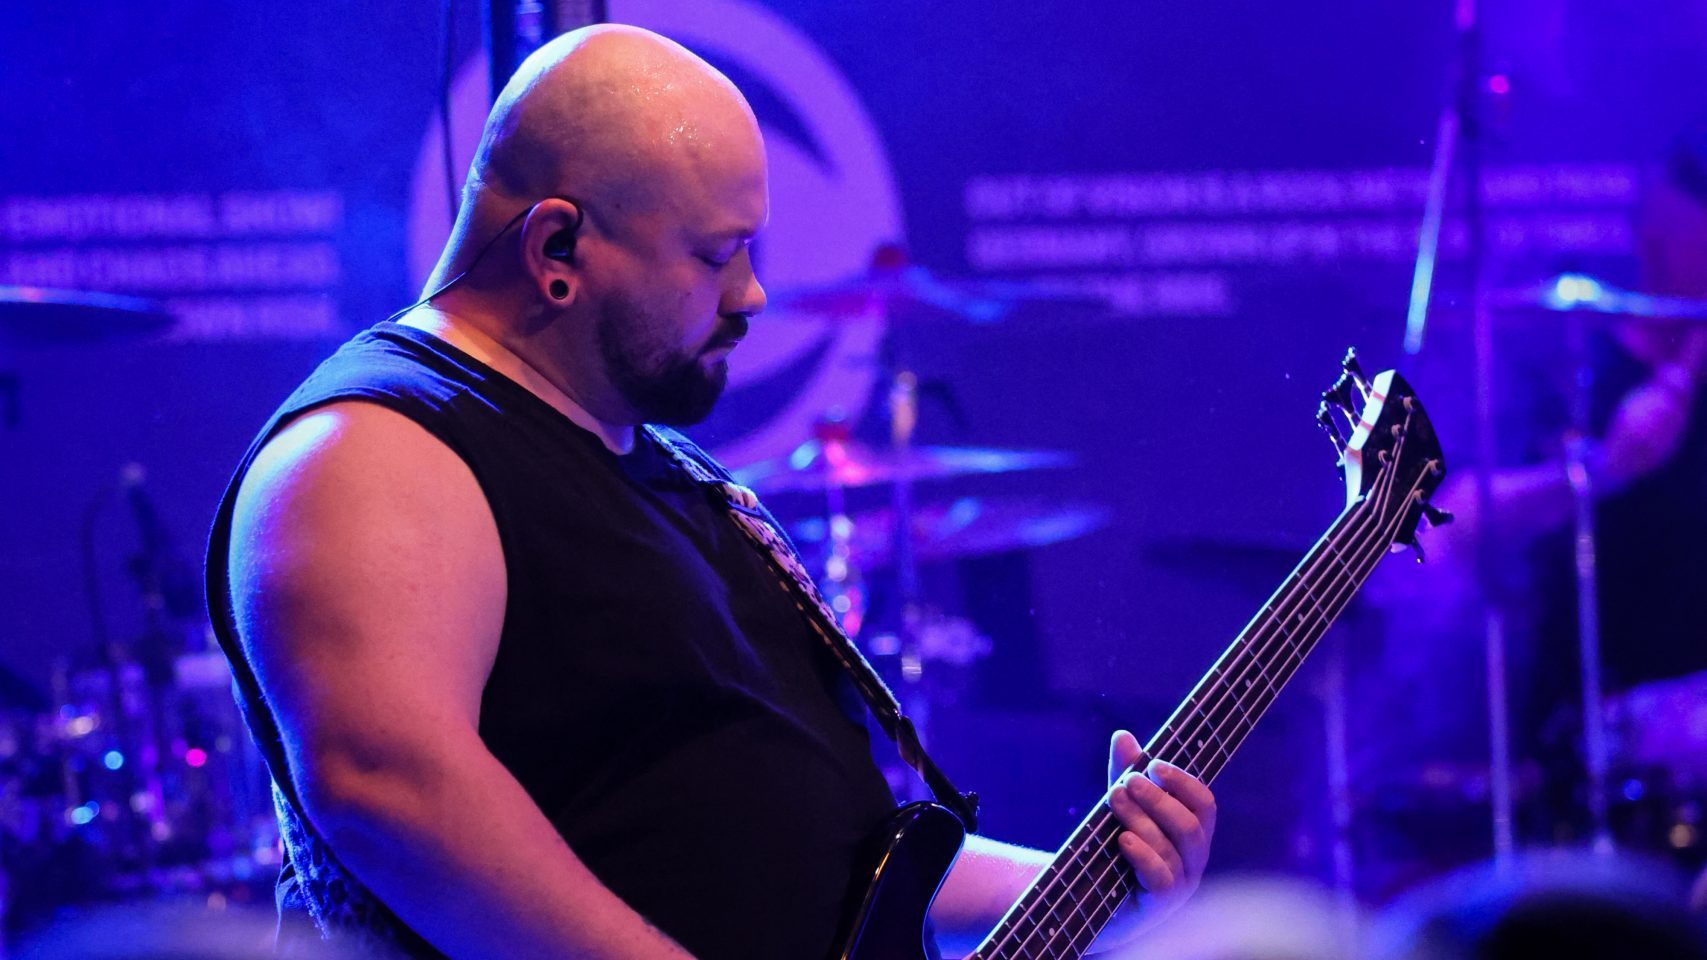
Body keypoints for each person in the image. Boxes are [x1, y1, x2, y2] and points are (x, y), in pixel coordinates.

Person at [204, 25, 1217, 960]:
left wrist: (1094, 890)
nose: (751, 294)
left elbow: (848, 863)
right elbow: (389, 793)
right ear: (557, 250)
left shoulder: (697, 491)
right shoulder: (373, 448)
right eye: (714, 255)